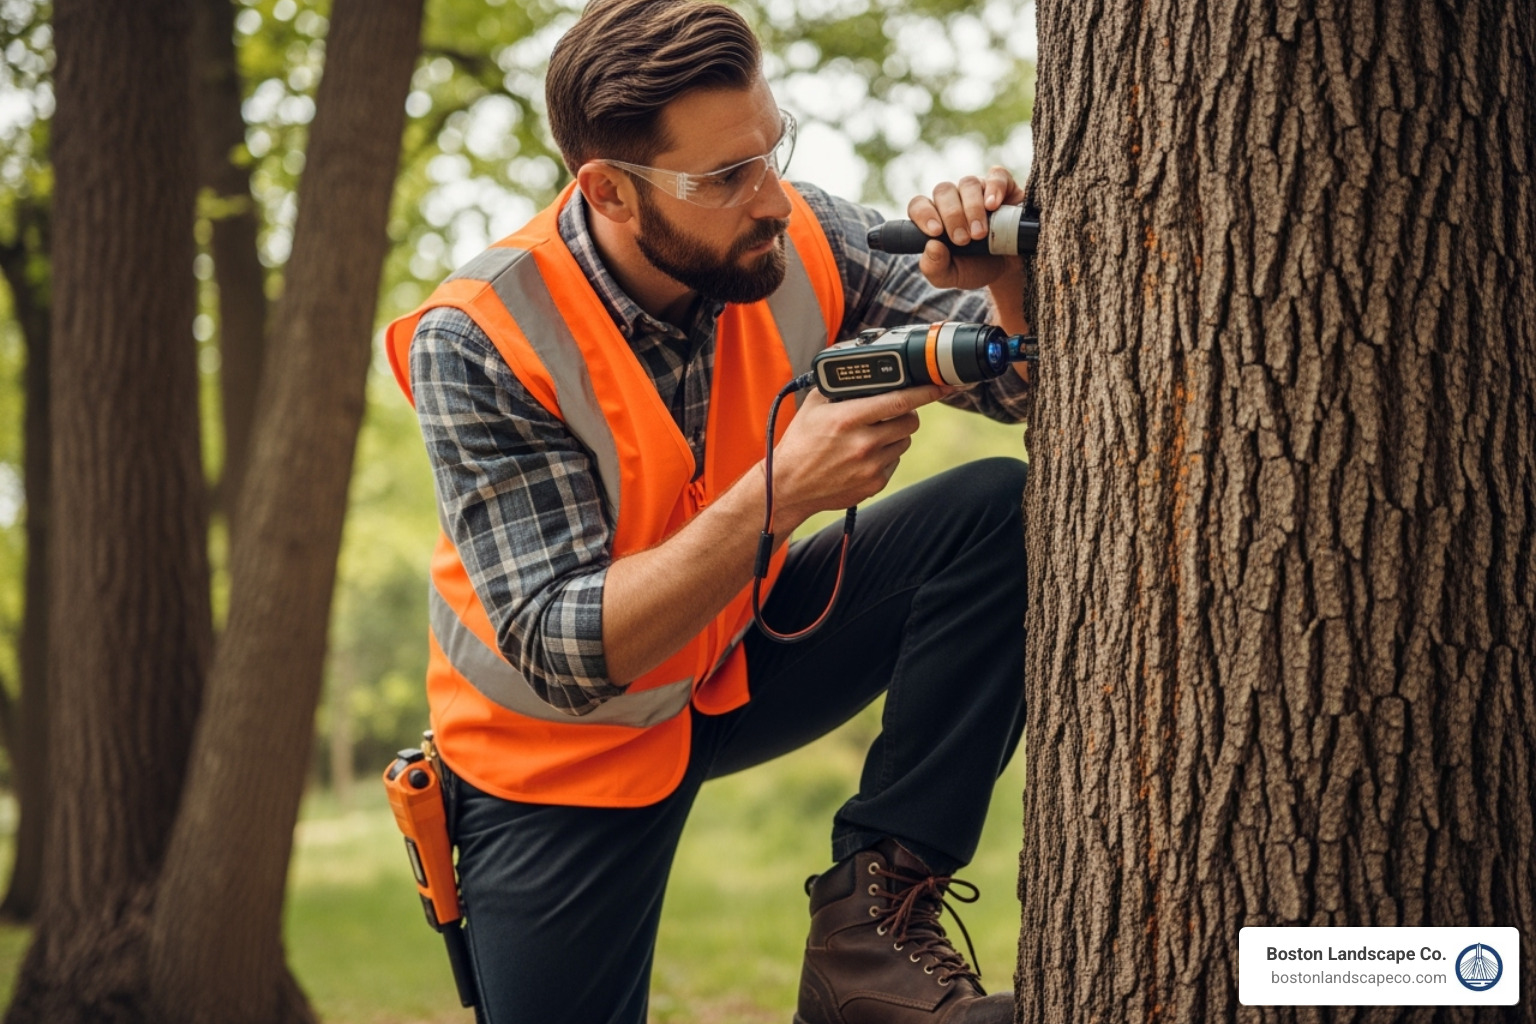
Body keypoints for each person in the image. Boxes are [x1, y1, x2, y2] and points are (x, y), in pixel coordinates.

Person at [383, 0, 1034, 1020]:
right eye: (727, 178)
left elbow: (1026, 383)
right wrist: (782, 490)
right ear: (611, 191)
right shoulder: (479, 335)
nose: (772, 197)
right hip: (557, 756)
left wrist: (1009, 287)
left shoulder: (804, 231)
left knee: (1002, 513)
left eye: (771, 151)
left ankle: (869, 940)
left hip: (741, 657)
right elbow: (565, 651)